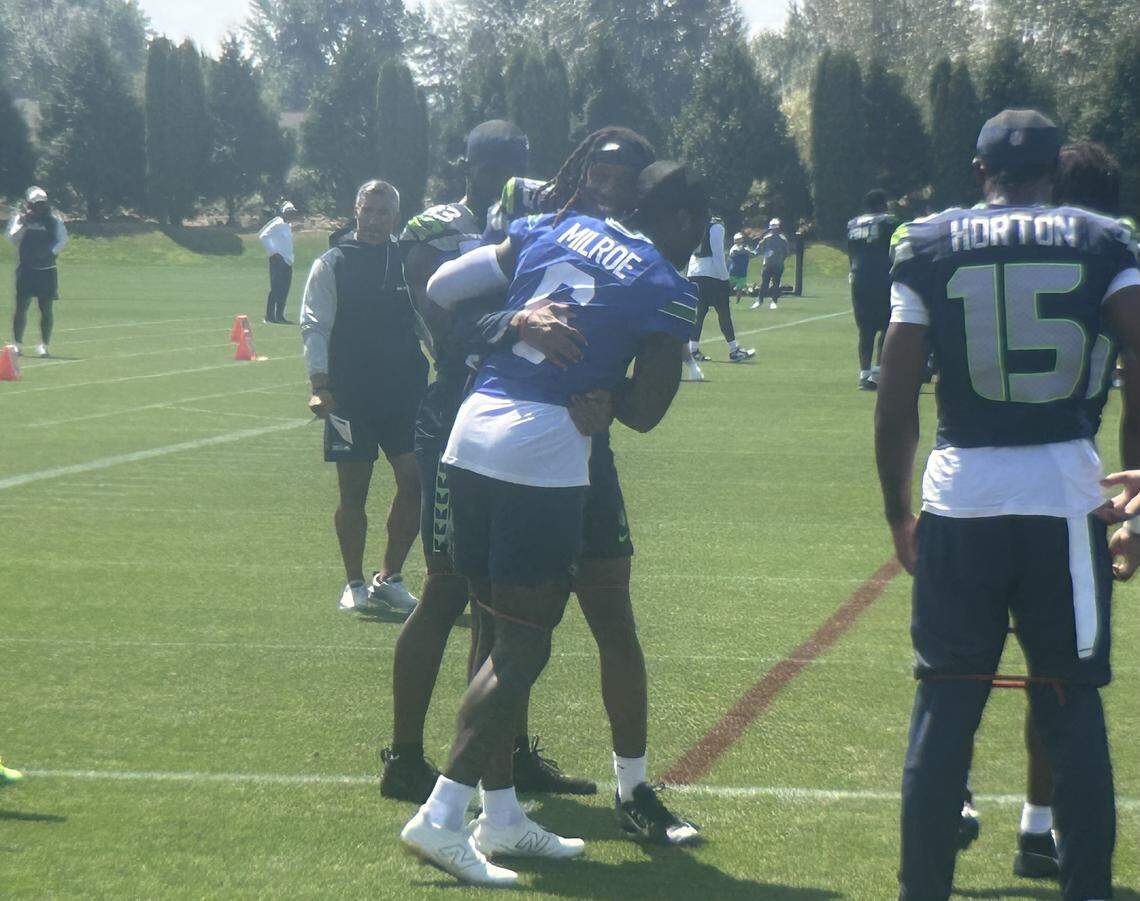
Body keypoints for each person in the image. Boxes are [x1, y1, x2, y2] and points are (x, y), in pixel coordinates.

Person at [398, 161, 707, 885]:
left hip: (471, 429)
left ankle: (499, 813)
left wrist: (509, 325)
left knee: (492, 628)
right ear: (686, 219)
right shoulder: (667, 284)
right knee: (524, 647)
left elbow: (440, 291)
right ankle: (443, 813)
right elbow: (646, 411)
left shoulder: (558, 224)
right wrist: (606, 393)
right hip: (545, 451)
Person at [876, 109, 1140, 901]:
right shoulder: (1105, 237)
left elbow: (895, 393)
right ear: (1054, 170)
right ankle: (1086, 888)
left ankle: (922, 890)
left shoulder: (927, 240)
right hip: (1065, 488)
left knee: (945, 707)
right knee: (1070, 702)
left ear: (978, 170)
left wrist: (897, 508)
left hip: (963, 489)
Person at [382, 120, 592, 801]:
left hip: (517, 416)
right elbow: (441, 321)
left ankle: (508, 752)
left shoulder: (532, 213)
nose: (504, 169)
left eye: (514, 158)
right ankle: (405, 755)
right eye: (492, 160)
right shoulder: (432, 228)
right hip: (454, 408)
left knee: (514, 601)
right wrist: (515, 323)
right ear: (466, 163)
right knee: (447, 588)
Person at [300, 180, 427, 615]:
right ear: (355, 210)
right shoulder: (333, 263)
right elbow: (314, 324)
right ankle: (353, 581)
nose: (374, 220)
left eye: (383, 212)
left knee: (415, 481)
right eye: (367, 211)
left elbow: (427, 321)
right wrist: (320, 383)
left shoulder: (410, 262)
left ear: (397, 216)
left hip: (404, 392)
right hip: (350, 395)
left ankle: (389, 577)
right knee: (353, 491)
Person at [847, 191, 900, 390]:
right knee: (887, 324)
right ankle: (878, 372)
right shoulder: (889, 222)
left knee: (865, 329)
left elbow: (851, 252)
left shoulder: (853, 224)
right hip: (881, 277)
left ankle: (864, 374)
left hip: (859, 277)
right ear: (881, 204)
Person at [7, 186, 67, 357]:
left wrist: (49, 252)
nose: (39, 207)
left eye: (42, 203)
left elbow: (62, 239)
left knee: (46, 308)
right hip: (26, 269)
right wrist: (24, 225)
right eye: (36, 204)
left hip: (46, 270)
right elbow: (12, 238)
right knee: (21, 307)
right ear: (29, 204)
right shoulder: (21, 218)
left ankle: (43, 345)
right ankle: (17, 343)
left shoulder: (54, 220)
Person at [688, 216, 754, 364]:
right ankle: (733, 349)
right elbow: (717, 254)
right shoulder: (716, 226)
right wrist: (725, 278)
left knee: (699, 314)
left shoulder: (694, 223)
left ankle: (693, 349)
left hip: (694, 271)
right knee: (723, 312)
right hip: (711, 274)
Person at [259, 201, 302, 324]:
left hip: (287, 260)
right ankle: (269, 316)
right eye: (289, 212)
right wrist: (273, 252)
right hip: (278, 260)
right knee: (276, 288)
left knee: (284, 289)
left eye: (292, 212)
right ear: (284, 213)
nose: (291, 215)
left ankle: (280, 316)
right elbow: (263, 235)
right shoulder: (277, 222)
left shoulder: (287, 226)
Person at [752, 218, 789, 310]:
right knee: (764, 283)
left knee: (776, 283)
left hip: (778, 265)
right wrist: (763, 253)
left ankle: (774, 301)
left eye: (775, 228)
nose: (774, 230)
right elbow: (759, 248)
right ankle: (759, 301)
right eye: (773, 229)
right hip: (767, 264)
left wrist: (780, 259)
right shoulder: (766, 238)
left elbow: (786, 252)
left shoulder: (782, 239)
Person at [728, 231, 756, 303]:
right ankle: (725, 299)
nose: (739, 240)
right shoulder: (734, 248)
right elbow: (735, 253)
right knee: (729, 286)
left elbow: (752, 255)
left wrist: (748, 252)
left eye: (740, 239)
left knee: (740, 288)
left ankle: (737, 302)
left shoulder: (746, 248)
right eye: (737, 239)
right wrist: (746, 252)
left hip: (743, 271)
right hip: (733, 271)